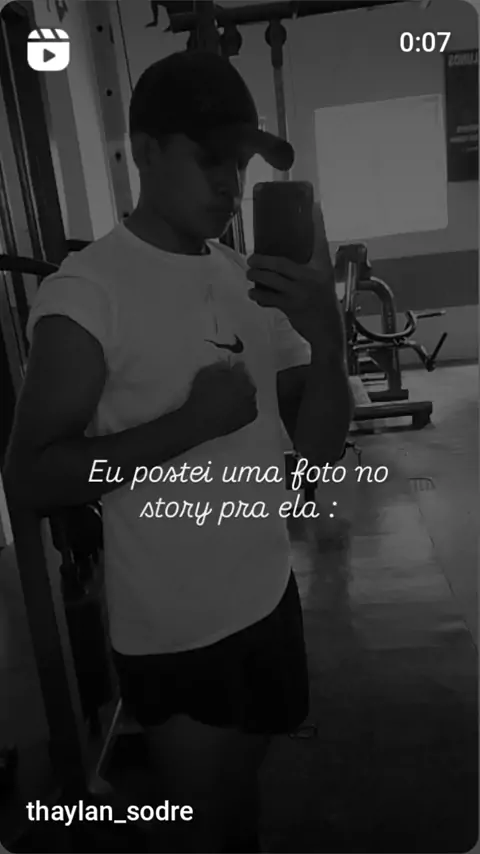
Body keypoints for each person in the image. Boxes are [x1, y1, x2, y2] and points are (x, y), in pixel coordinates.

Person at [5, 50, 352, 853]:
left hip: (268, 596)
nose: (231, 184)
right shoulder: (87, 293)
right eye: (211, 159)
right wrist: (189, 425)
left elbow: (317, 455)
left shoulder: (244, 276)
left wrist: (329, 339)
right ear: (145, 150)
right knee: (204, 827)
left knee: (241, 808)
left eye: (240, 164)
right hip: (179, 629)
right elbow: (29, 479)